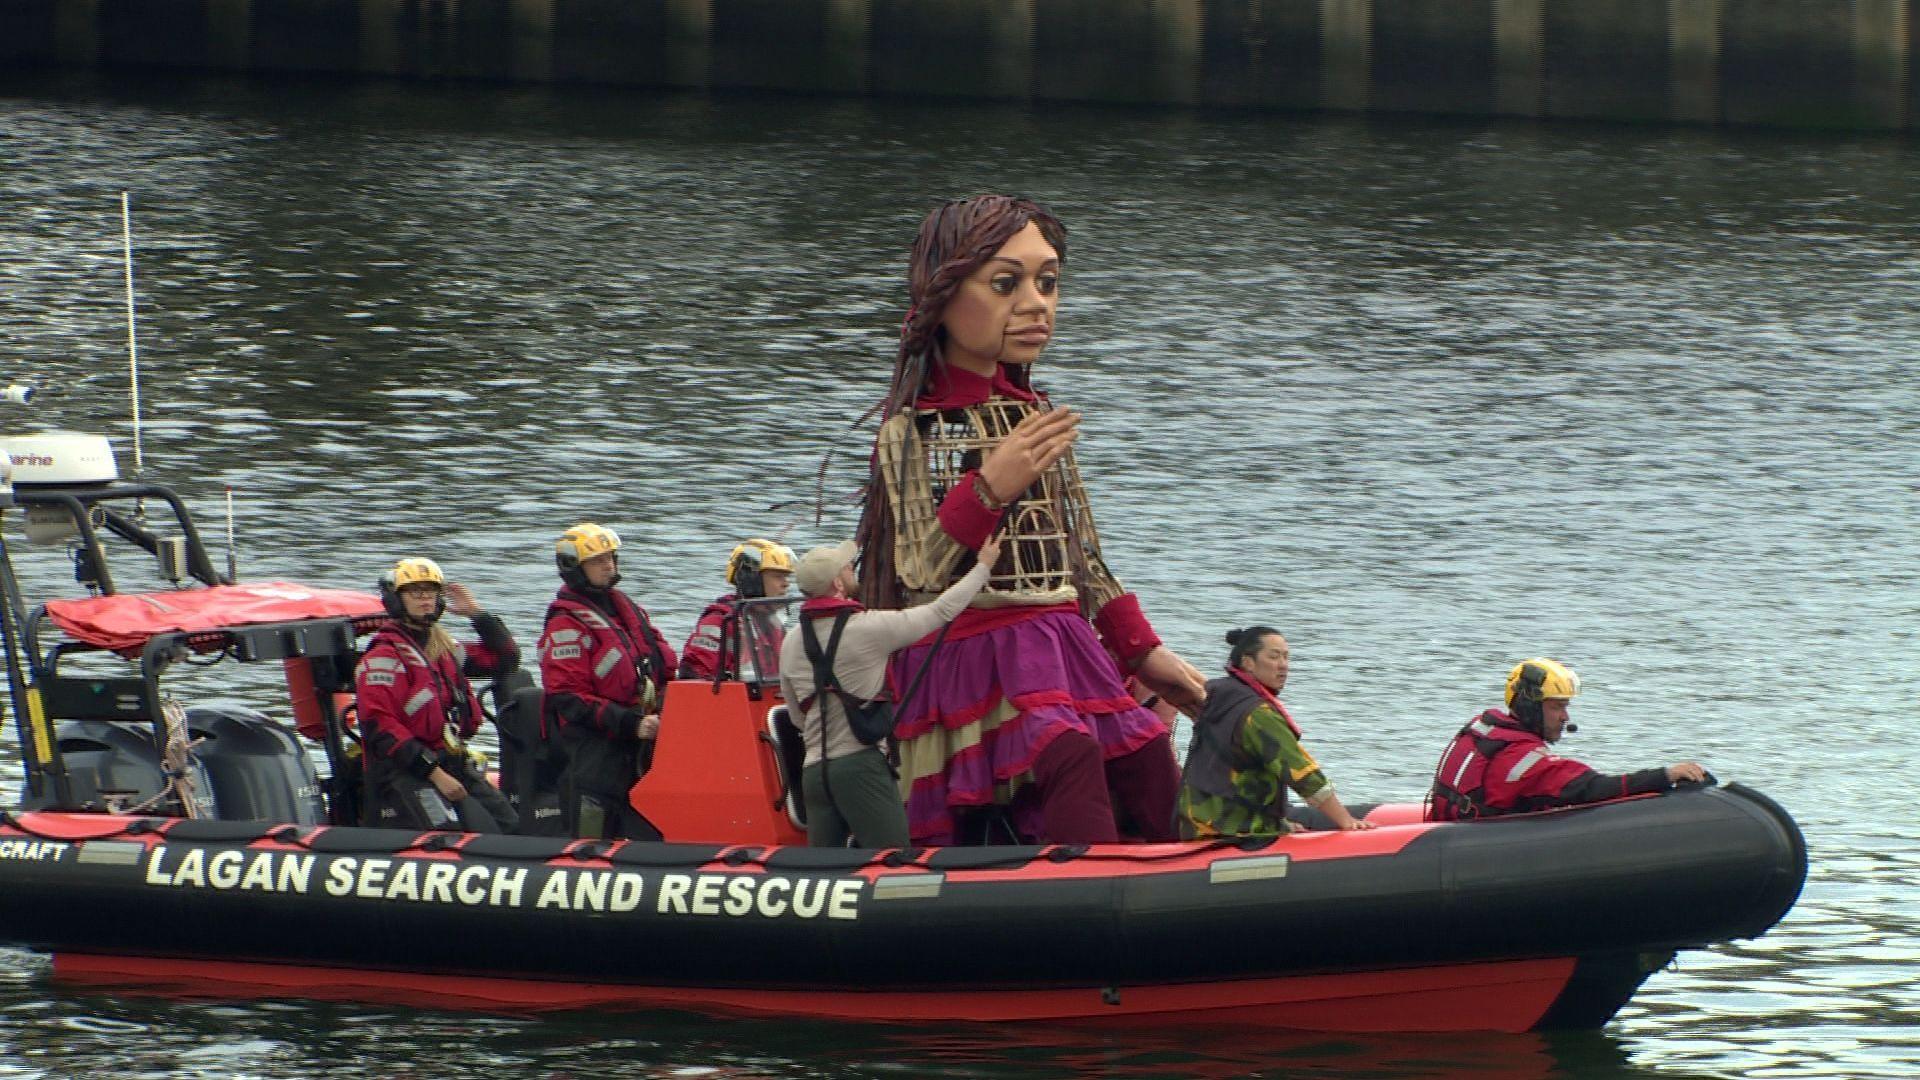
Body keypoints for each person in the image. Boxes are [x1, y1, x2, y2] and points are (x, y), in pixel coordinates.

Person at [855, 194, 1205, 847]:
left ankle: (1177, 878)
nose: (1037, 303)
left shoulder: (1034, 417)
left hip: (1061, 637)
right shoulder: (911, 431)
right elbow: (920, 567)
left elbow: (1082, 557)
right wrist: (989, 487)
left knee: (1147, 754)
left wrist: (1142, 649)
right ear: (946, 293)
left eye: (1048, 283)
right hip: (974, 645)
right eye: (1006, 283)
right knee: (1068, 753)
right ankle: (1088, 890)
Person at [779, 534, 1003, 849]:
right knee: (894, 864)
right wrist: (983, 567)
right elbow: (939, 612)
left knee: (825, 876)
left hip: (814, 774)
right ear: (838, 585)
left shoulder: (789, 643)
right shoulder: (869, 628)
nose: (850, 569)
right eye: (846, 567)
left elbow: (796, 717)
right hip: (860, 768)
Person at [1426, 658, 1709, 821]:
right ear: (1530, 706)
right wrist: (1665, 775)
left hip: (1450, 830)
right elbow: (1592, 787)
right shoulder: (1523, 759)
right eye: (1557, 707)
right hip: (1475, 848)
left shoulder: (1485, 727)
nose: (1565, 717)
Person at [355, 556, 519, 833]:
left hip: (449, 760)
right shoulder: (384, 656)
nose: (424, 598)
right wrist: (434, 773)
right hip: (403, 771)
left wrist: (477, 615)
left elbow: (506, 659)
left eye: (430, 591)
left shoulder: (443, 649)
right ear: (396, 599)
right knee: (446, 835)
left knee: (510, 825)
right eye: (414, 591)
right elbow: (379, 726)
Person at [538, 523, 677, 840]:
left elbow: (664, 666)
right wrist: (631, 723)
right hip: (595, 752)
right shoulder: (565, 623)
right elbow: (567, 697)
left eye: (610, 558)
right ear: (576, 568)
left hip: (640, 743)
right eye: (598, 561)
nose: (608, 566)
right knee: (592, 837)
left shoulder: (629, 611)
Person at [1177, 627, 1375, 838]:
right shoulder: (1257, 714)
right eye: (1274, 657)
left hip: (1198, 822)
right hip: (1230, 831)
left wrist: (1282, 824)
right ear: (1248, 662)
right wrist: (1347, 822)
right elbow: (1303, 774)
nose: (1283, 665)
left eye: (1286, 657)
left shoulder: (1222, 700)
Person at [679, 538, 794, 682]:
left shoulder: (773, 625)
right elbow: (693, 681)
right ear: (752, 579)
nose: (786, 584)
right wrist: (742, 654)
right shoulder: (719, 622)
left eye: (786, 577)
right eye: (778, 577)